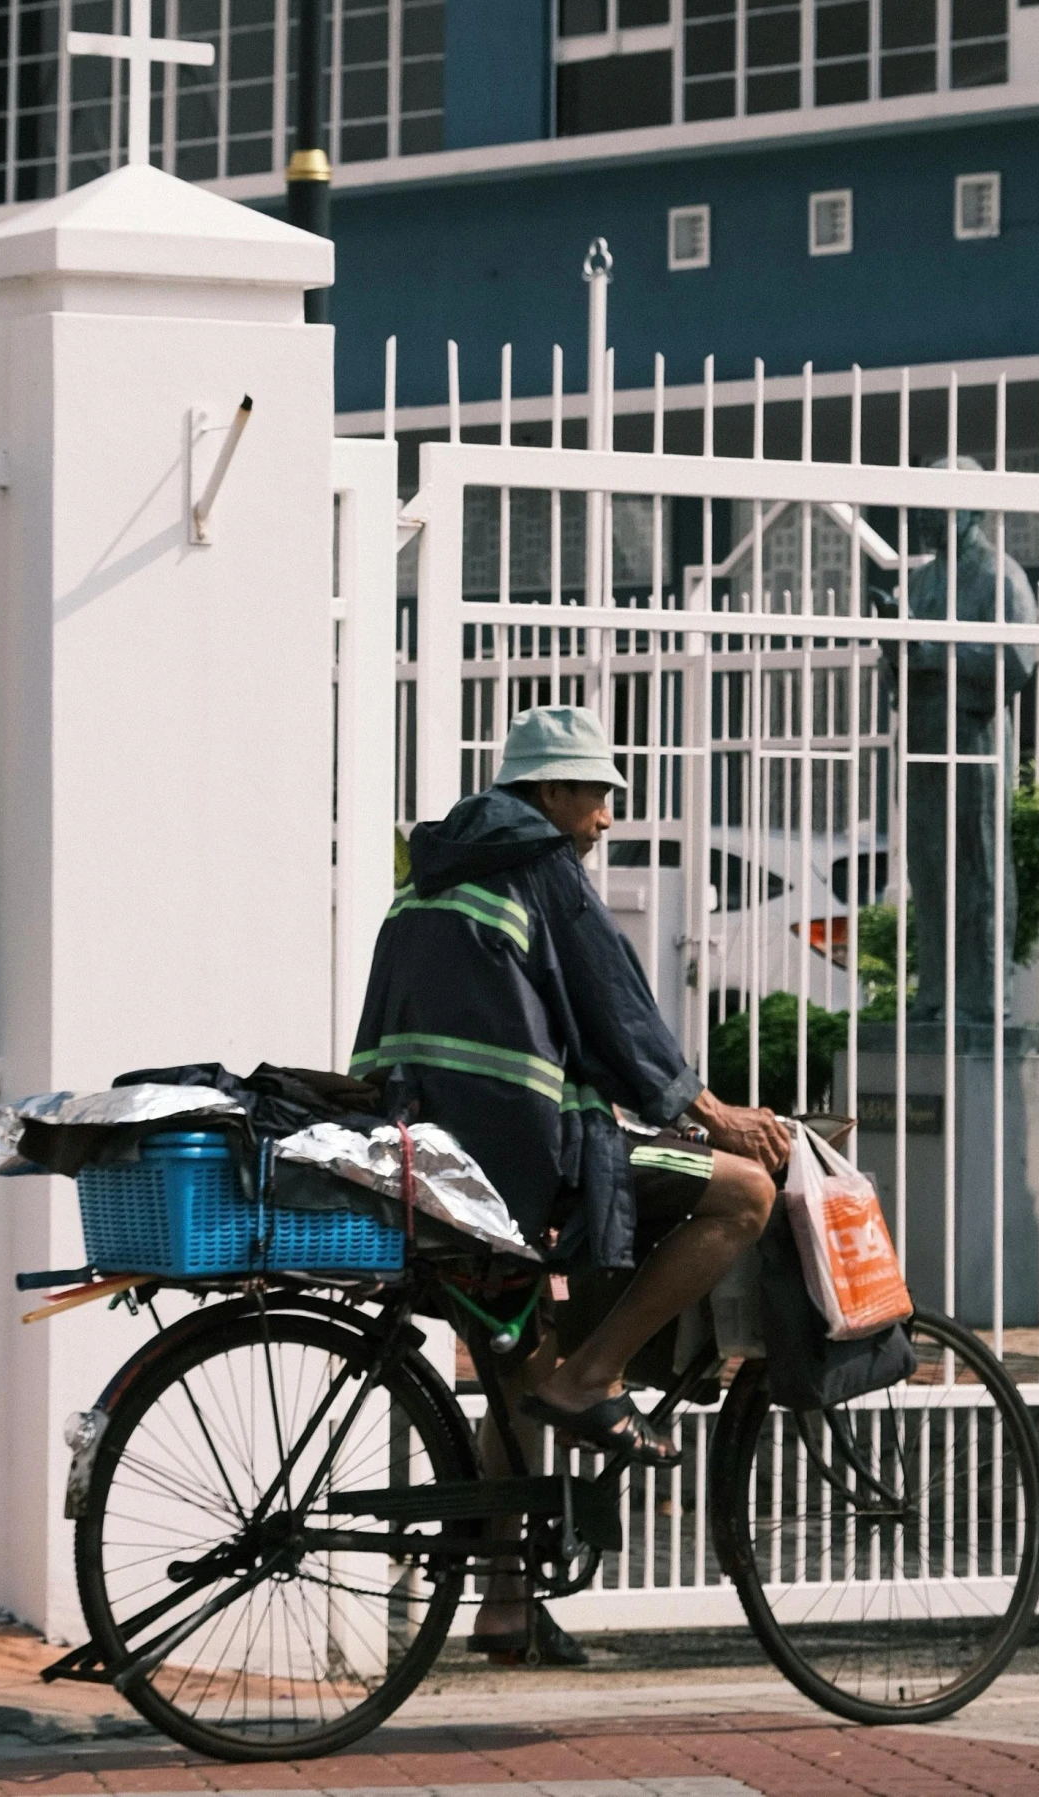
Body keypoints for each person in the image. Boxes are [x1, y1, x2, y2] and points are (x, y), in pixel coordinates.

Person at [351, 702, 790, 1661]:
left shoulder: (432, 870)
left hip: (425, 1160)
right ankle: (599, 1377)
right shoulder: (540, 864)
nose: (604, 819)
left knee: (517, 1360)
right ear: (550, 792)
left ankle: (506, 1605)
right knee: (743, 1197)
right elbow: (620, 1015)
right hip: (515, 1155)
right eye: (596, 795)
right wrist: (712, 1115)